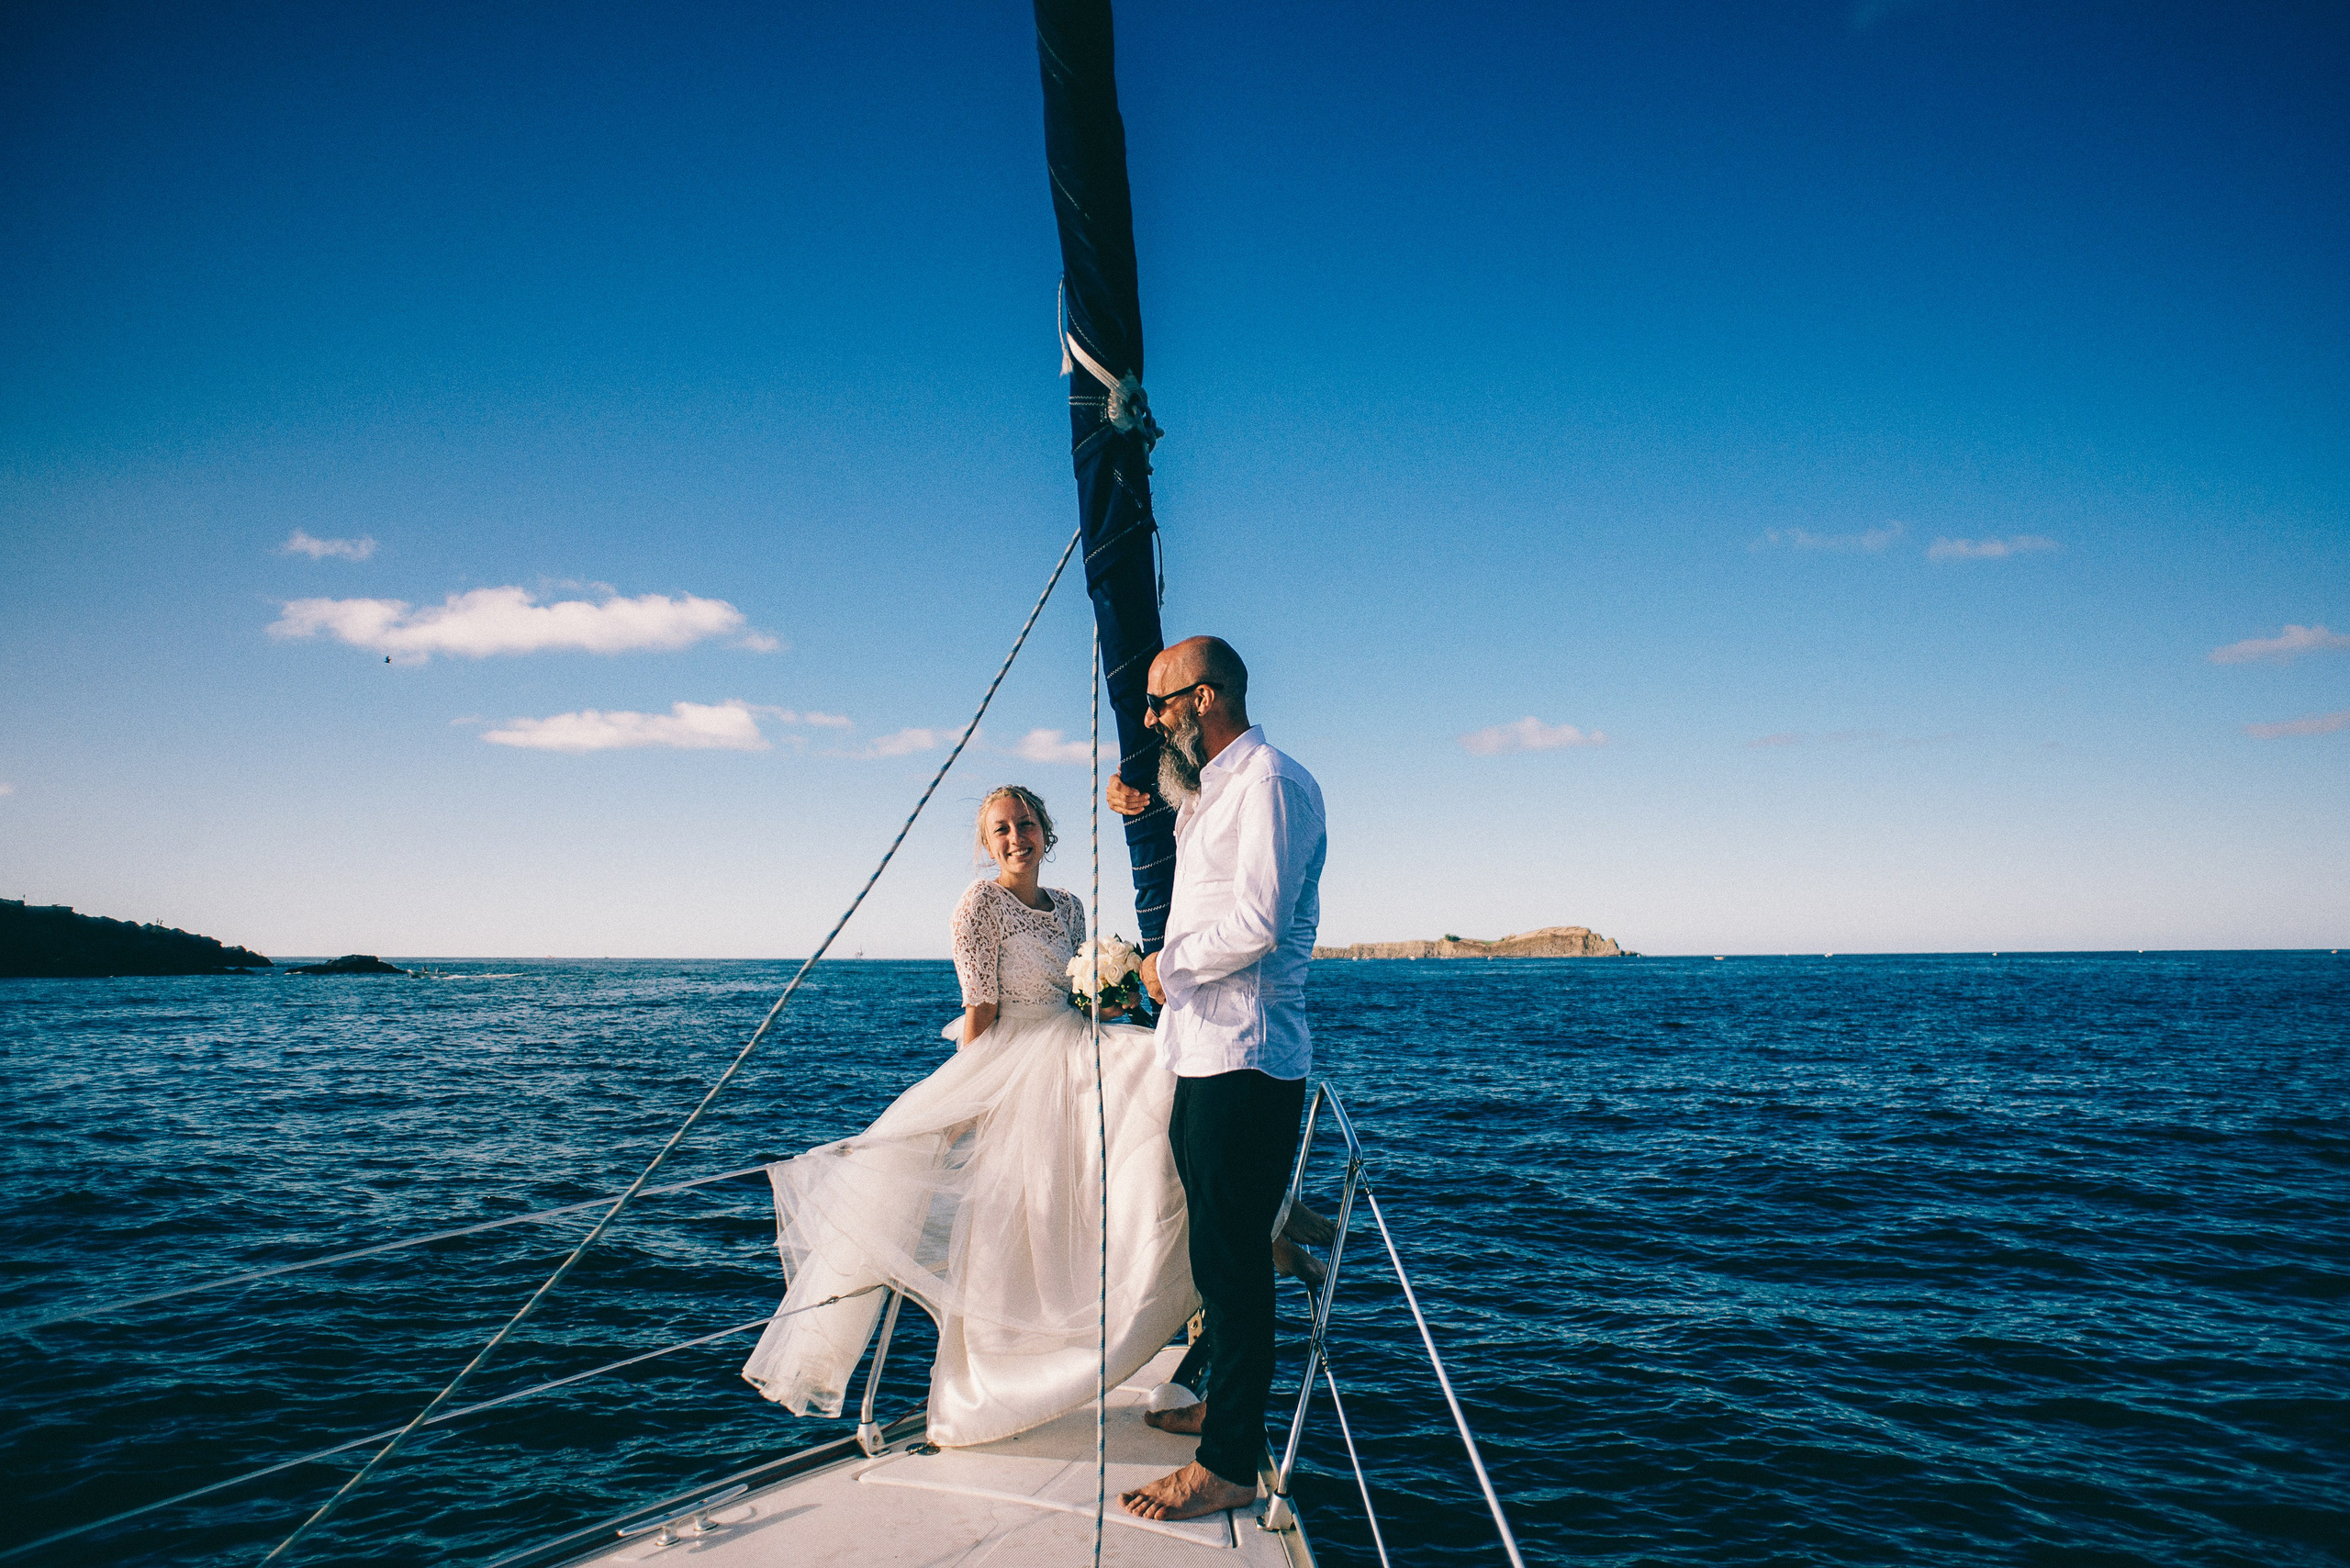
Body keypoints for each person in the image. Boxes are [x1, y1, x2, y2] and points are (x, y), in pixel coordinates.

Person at [740, 785, 1197, 1447]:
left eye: (1027, 824)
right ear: (988, 846)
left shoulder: (1068, 905)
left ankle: (1161, 1266)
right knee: (1022, 1219)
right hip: (1017, 1060)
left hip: (1073, 1042)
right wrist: (973, 1097)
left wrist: (1112, 993)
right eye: (1002, 830)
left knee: (1163, 1078)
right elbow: (979, 1012)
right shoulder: (978, 905)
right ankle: (1002, 1378)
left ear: (1047, 832)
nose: (1017, 837)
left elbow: (1074, 992)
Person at [1105, 636, 1327, 1522]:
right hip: (1203, 1052)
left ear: (1205, 699)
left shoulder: (1270, 781)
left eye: (1160, 705)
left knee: (1232, 1265)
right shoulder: (1212, 792)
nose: (1151, 721)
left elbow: (1260, 921)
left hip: (1245, 1053)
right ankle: (1221, 1411)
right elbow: (1202, 861)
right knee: (1216, 1254)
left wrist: (1165, 965)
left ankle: (1230, 1460)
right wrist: (1143, 810)